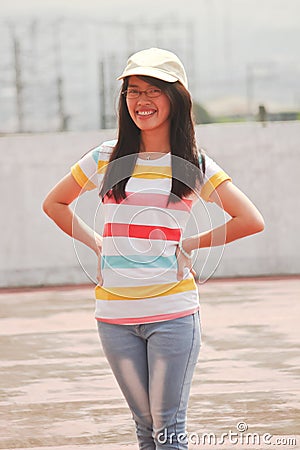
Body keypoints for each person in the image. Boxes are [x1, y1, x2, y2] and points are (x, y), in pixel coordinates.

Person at [43, 48, 264, 449]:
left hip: (173, 316)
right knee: (145, 430)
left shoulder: (192, 163)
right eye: (133, 91)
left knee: (168, 431)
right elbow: (54, 204)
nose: (141, 101)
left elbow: (250, 219)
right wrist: (97, 244)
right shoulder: (105, 157)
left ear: (175, 99)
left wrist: (188, 244)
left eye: (153, 91)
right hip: (113, 316)